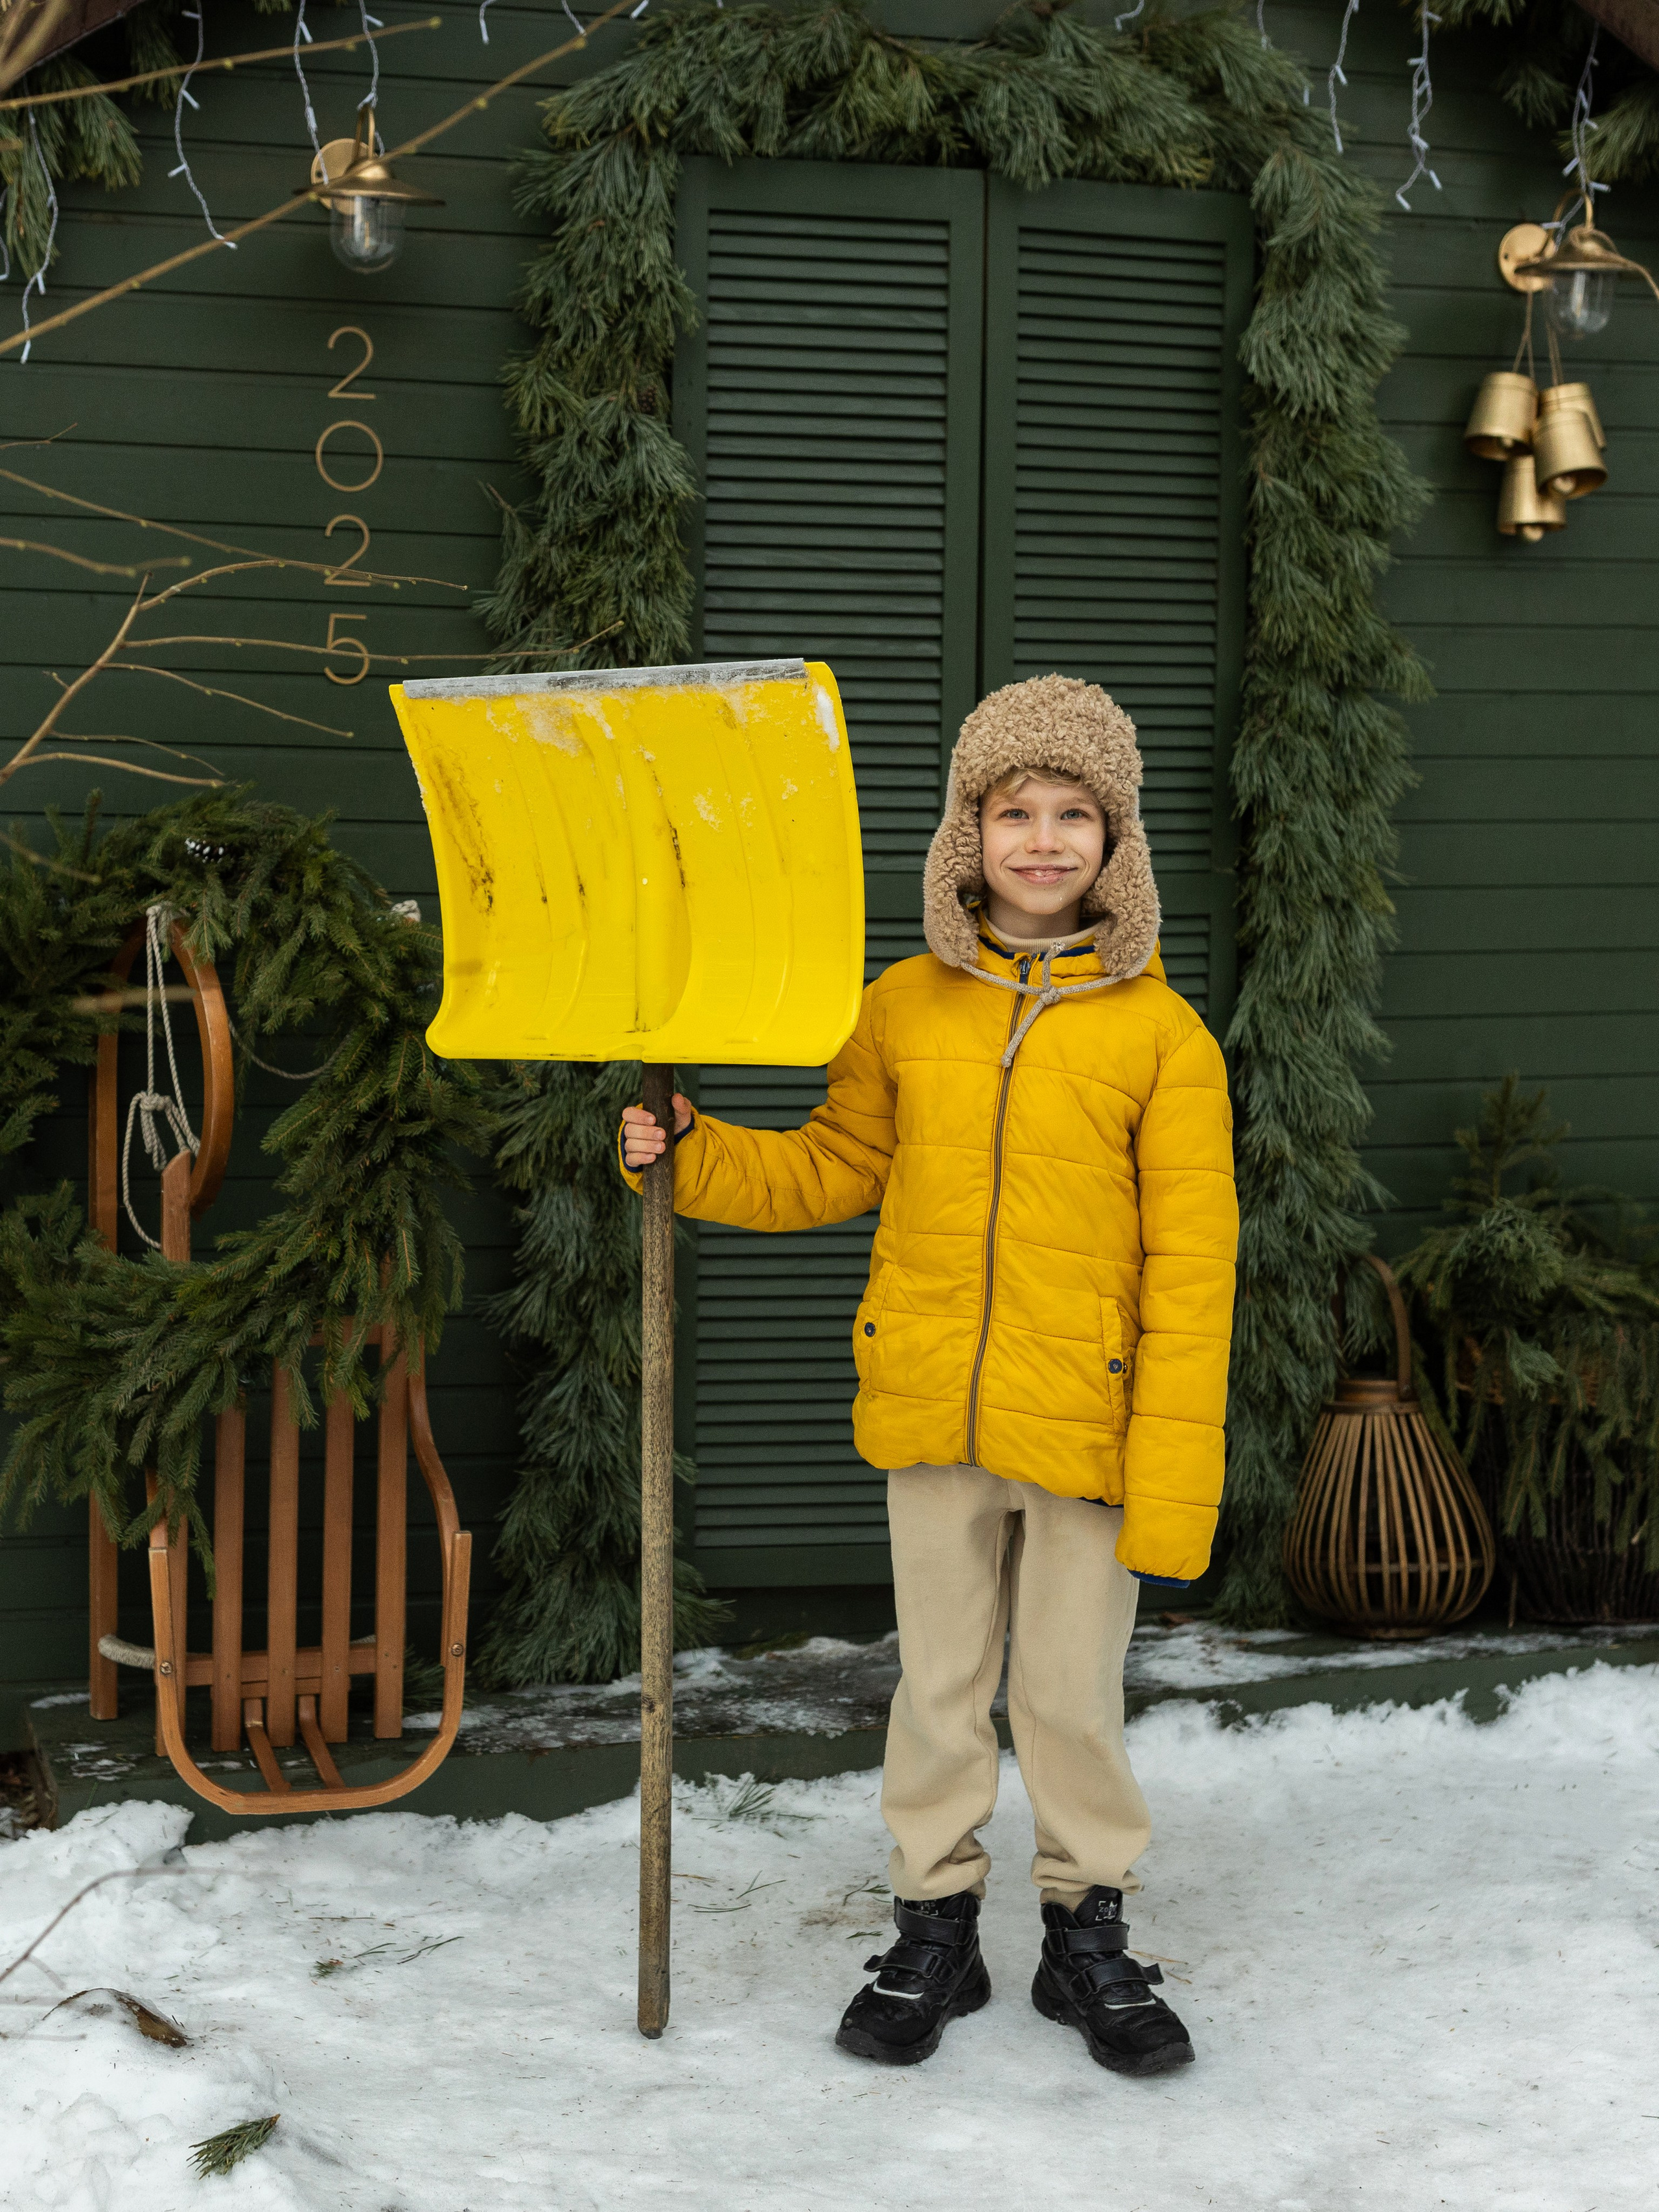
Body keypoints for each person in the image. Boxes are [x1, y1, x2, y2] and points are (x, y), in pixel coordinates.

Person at [621, 674, 1236, 2077]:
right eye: (1010, 810)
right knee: (940, 1686)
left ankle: (1088, 1940)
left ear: (1113, 842)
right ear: (967, 833)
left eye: (1070, 814)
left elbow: (1194, 1279)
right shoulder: (898, 1007)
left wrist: (1172, 1471)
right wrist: (696, 1150)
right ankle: (933, 1930)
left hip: (1087, 1422)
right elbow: (835, 1166)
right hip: (931, 1416)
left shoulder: (1161, 1037)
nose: (1038, 840)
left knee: (1069, 1697)